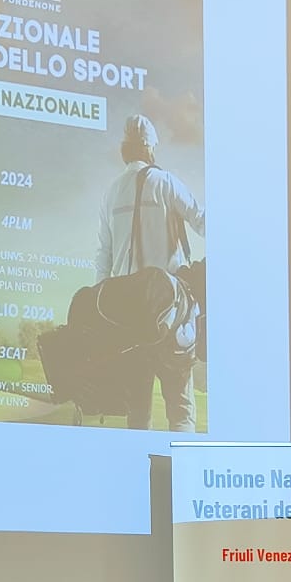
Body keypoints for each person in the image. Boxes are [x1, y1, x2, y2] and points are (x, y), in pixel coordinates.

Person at [94, 112, 207, 431]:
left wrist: (102, 310)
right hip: (171, 320)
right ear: (151, 150)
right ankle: (184, 477)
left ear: (124, 150)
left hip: (127, 320)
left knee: (138, 415)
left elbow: (103, 256)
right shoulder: (166, 182)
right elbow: (203, 222)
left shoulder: (111, 192)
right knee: (181, 412)